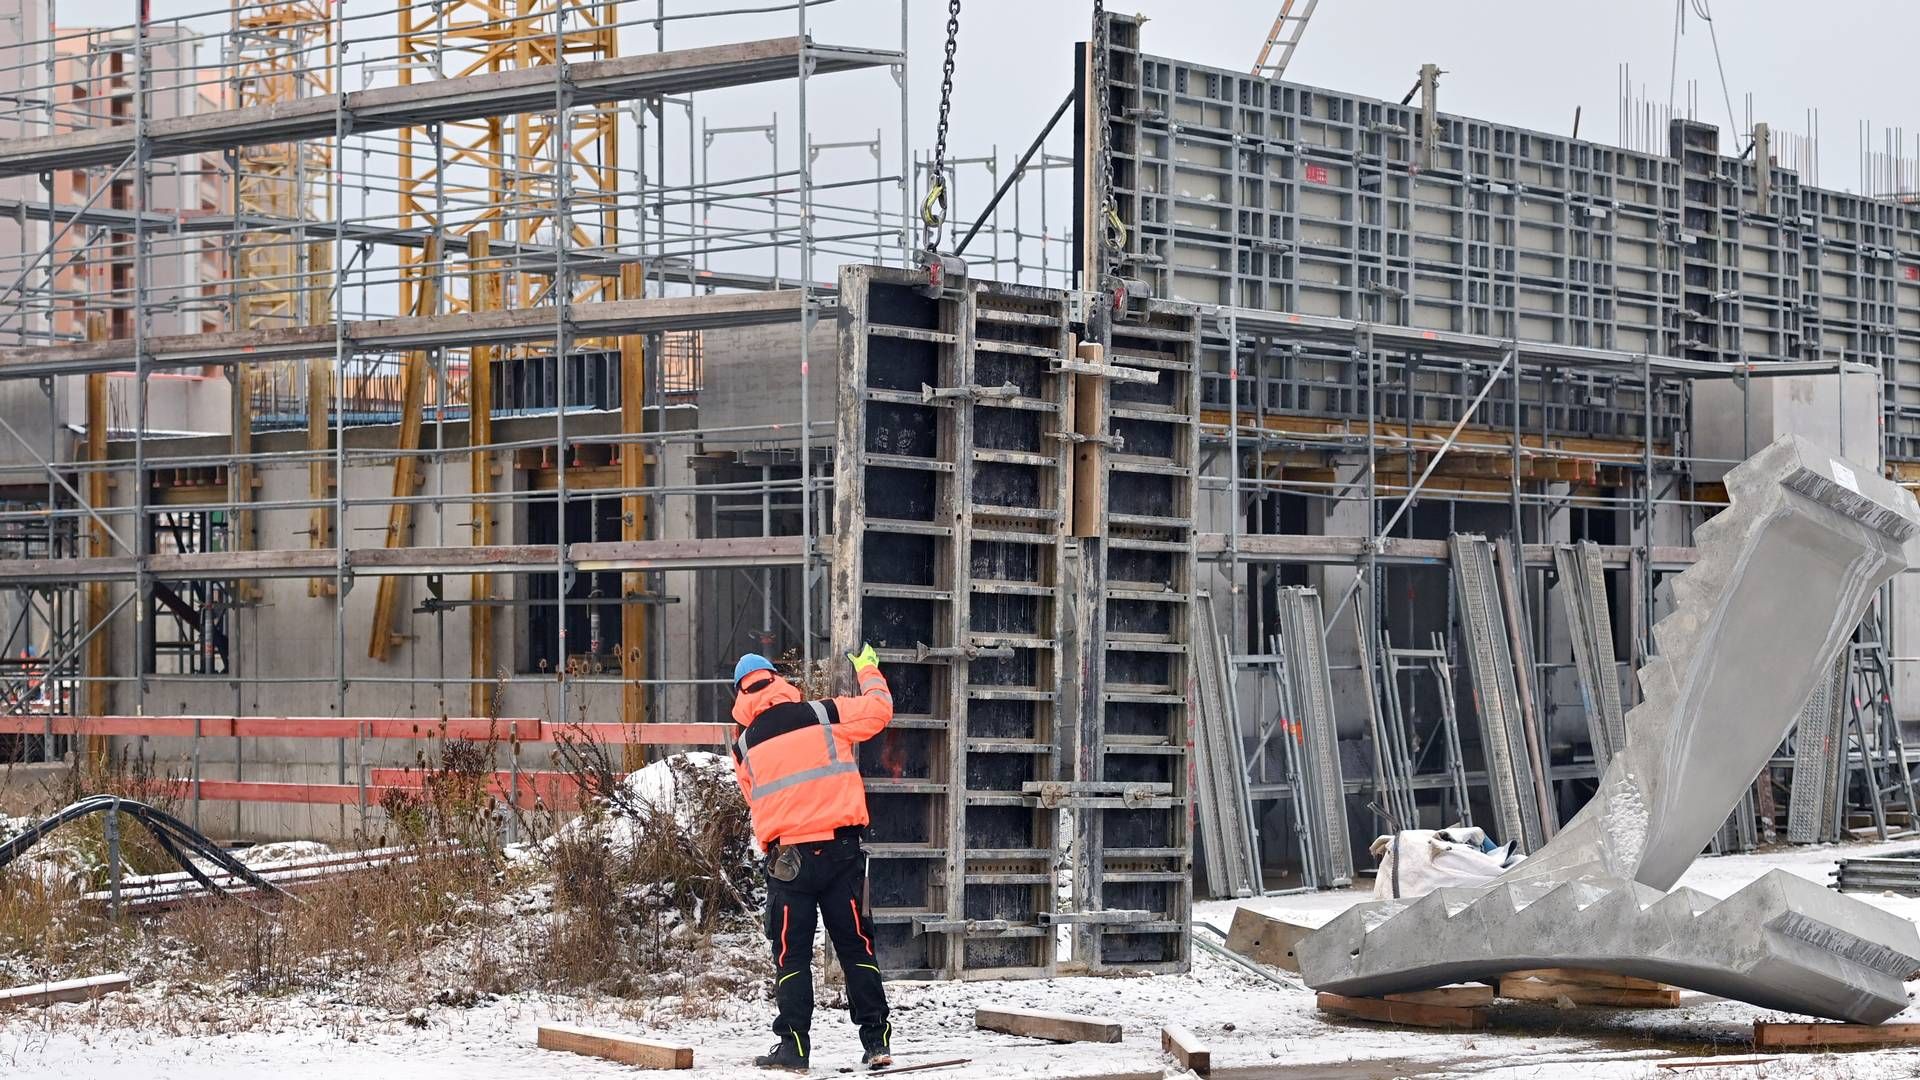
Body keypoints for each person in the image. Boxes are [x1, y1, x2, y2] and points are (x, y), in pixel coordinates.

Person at [730, 645, 894, 1072]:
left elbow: (753, 798)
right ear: (778, 681)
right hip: (841, 853)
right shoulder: (823, 714)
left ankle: (794, 1049)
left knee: (791, 955)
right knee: (857, 947)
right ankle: (876, 1043)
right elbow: (879, 711)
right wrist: (869, 669)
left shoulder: (744, 745)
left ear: (741, 694)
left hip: (789, 862)